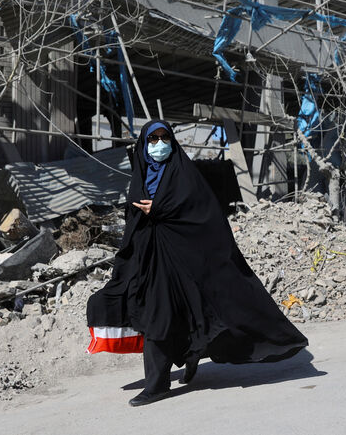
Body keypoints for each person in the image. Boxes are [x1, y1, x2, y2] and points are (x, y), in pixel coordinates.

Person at [87, 120, 308, 407]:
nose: (159, 144)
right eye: (152, 139)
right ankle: (176, 367)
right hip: (152, 262)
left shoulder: (184, 174)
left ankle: (158, 384)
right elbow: (133, 224)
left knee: (184, 316)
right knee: (157, 316)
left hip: (187, 261)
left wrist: (161, 208)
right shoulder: (140, 176)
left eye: (164, 137)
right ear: (143, 144)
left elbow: (204, 214)